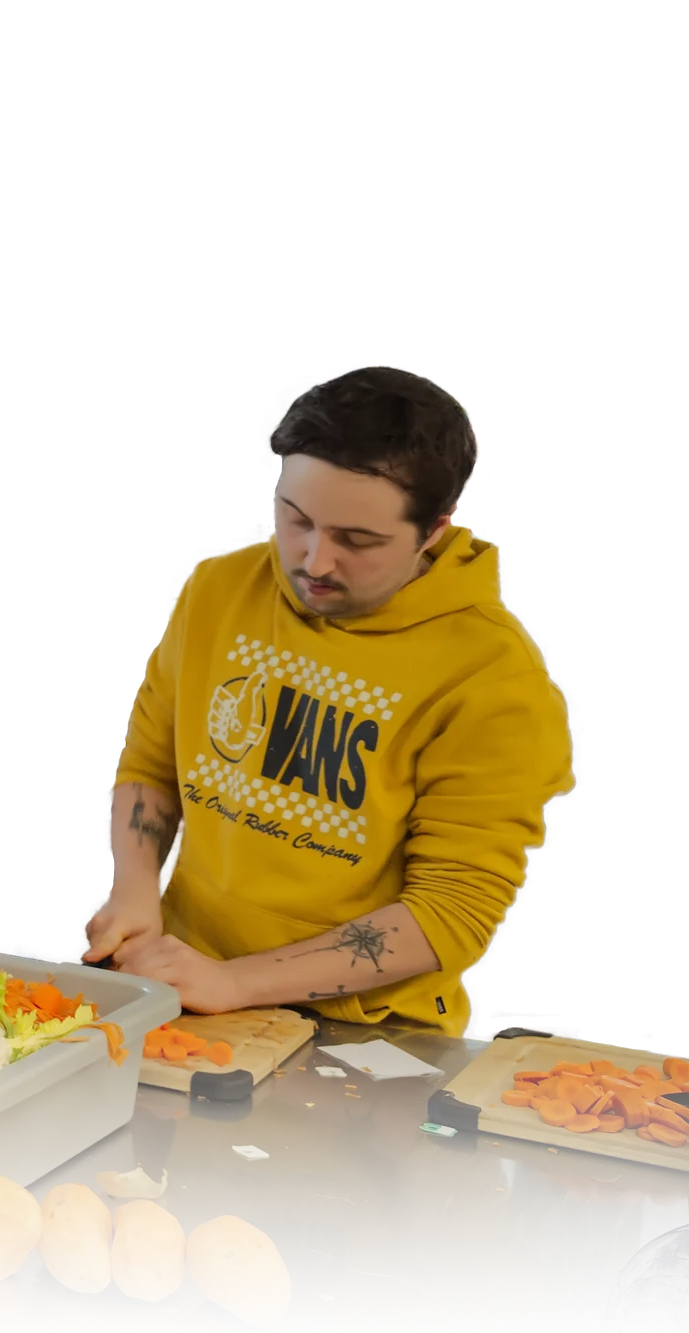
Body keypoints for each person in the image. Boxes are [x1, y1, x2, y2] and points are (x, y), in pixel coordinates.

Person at [82, 365, 575, 1037]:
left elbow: (451, 909)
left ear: (435, 529)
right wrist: (136, 889)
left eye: (357, 541)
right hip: (184, 986)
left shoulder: (493, 679)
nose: (314, 561)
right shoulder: (219, 589)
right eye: (296, 519)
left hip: (366, 1035)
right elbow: (153, 759)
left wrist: (236, 982)